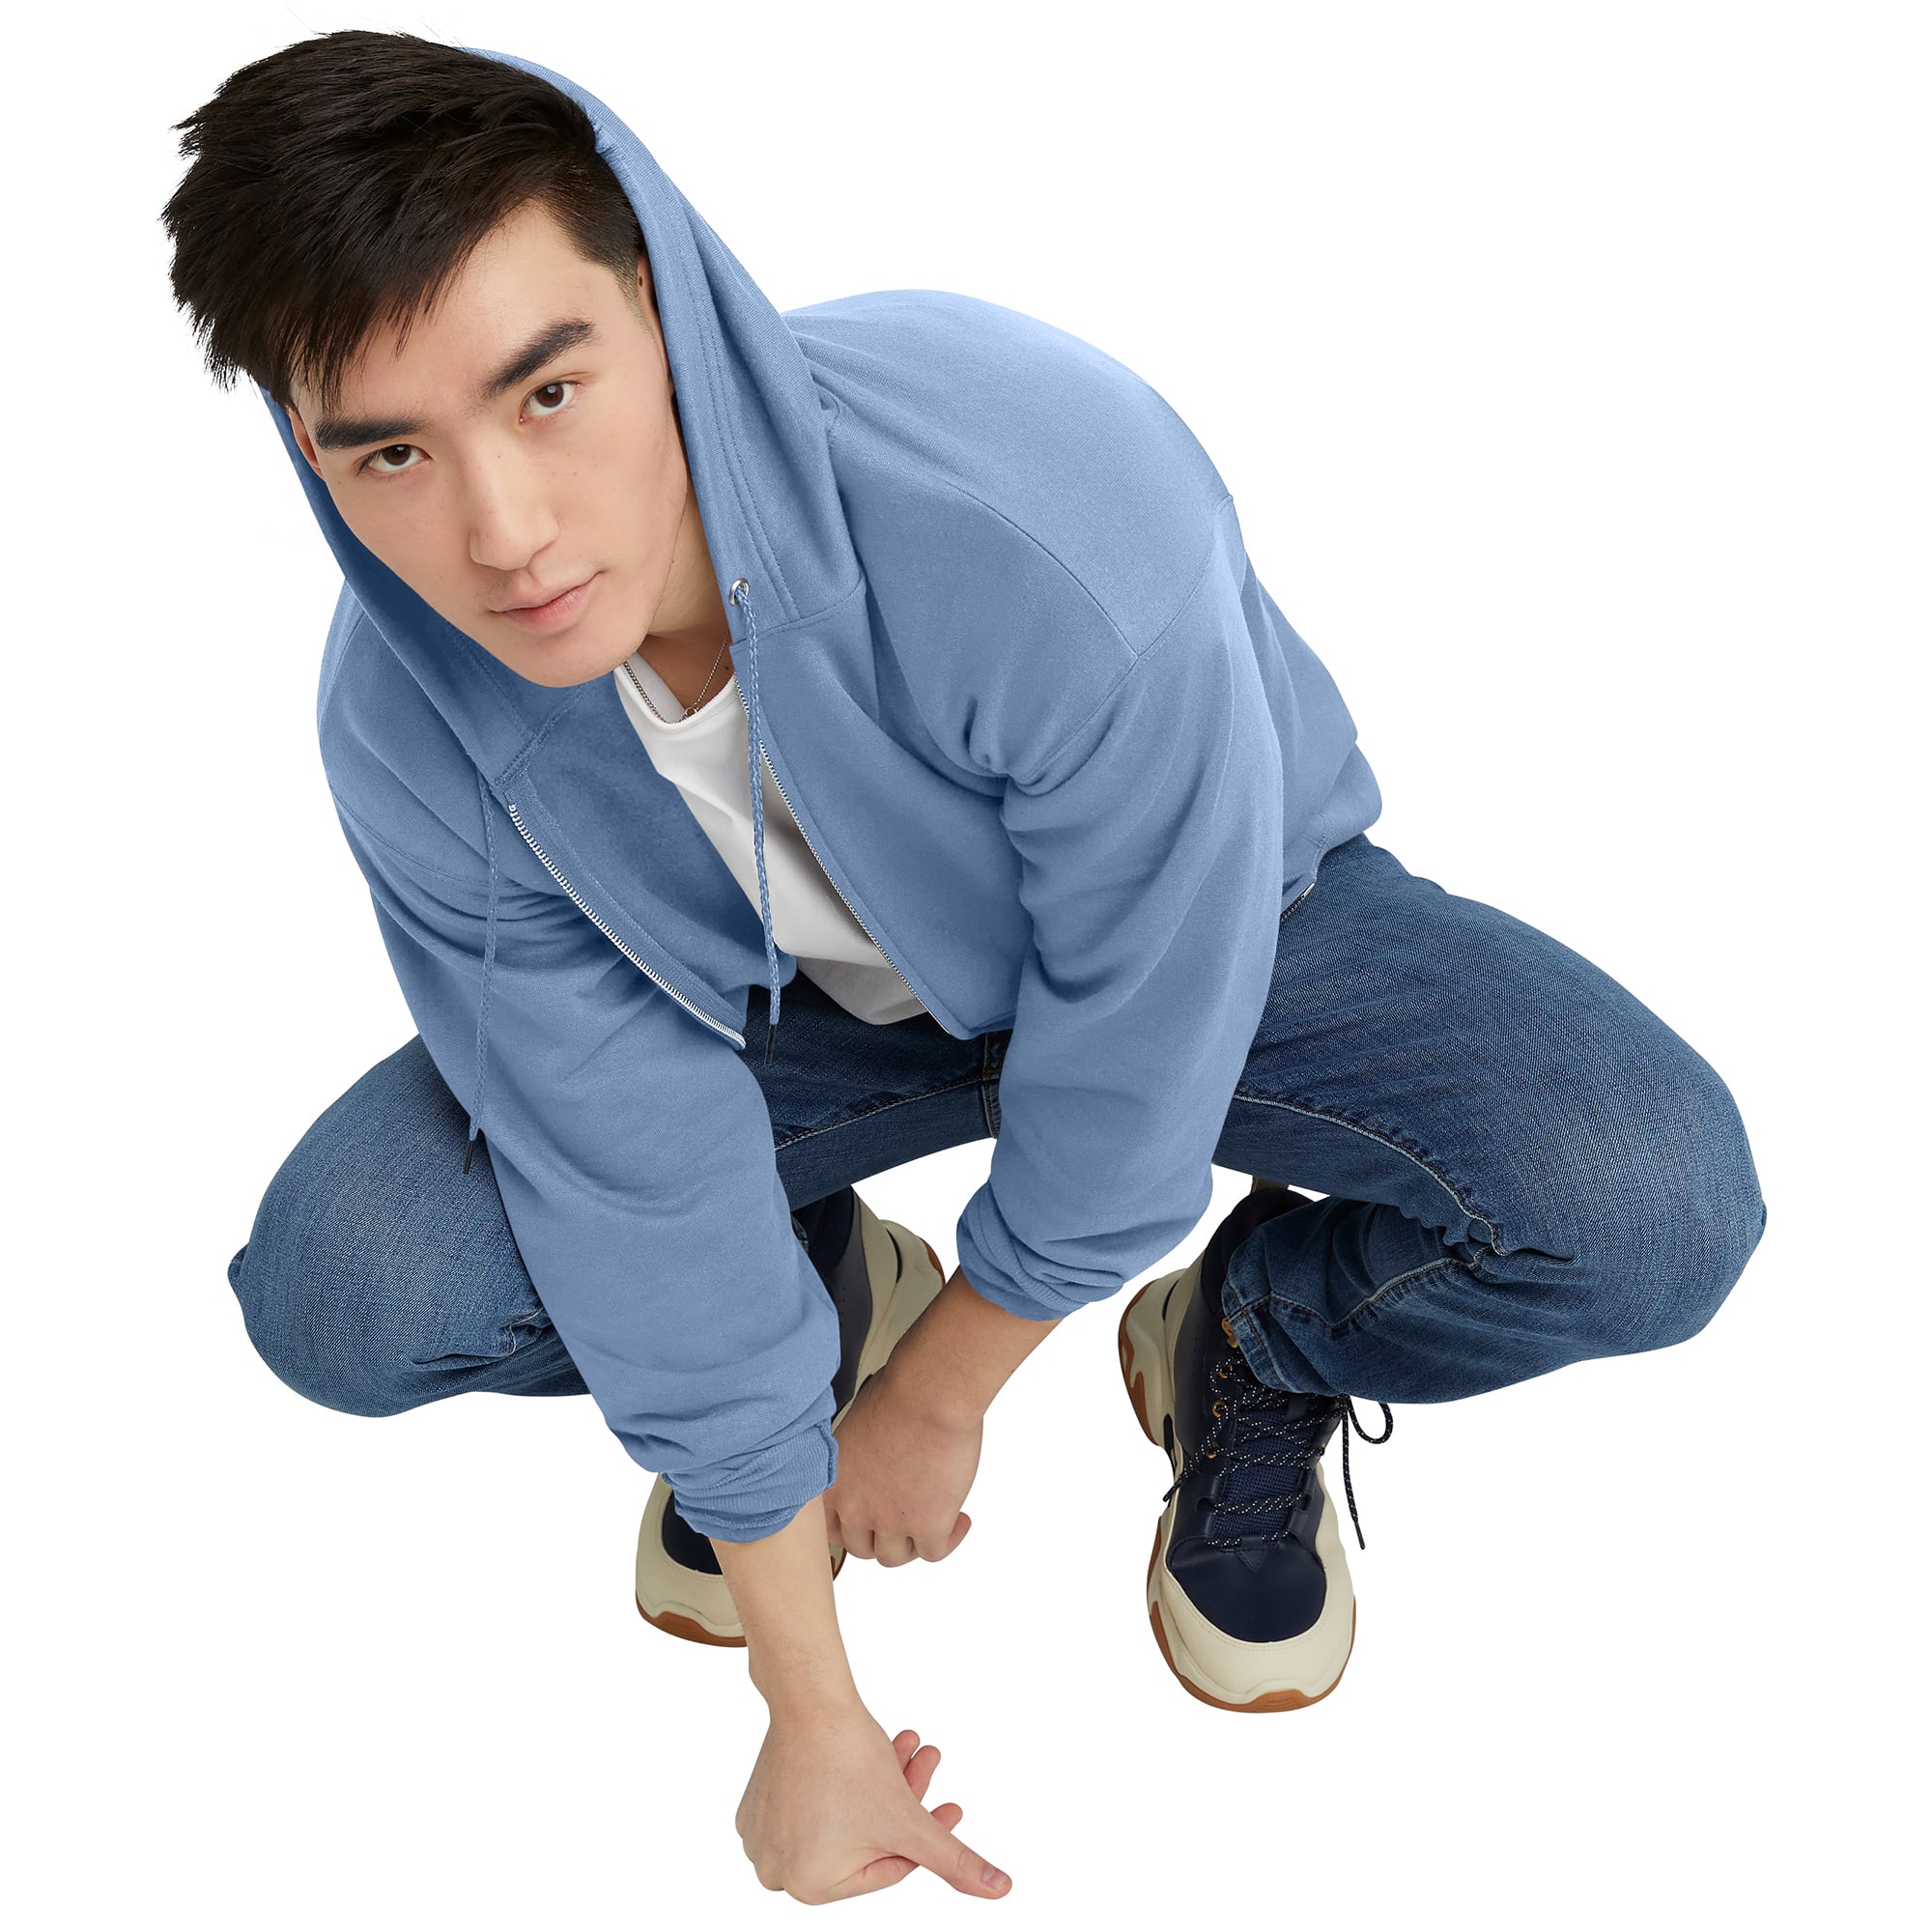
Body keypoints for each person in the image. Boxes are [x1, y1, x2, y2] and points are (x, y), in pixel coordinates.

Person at [162, 29, 1767, 1907]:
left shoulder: (1028, 490)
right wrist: (809, 1703)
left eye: (549, 391)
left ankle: (1250, 1336)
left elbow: (1143, 1015)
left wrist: (943, 1390)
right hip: (781, 1023)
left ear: (663, 300)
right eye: (393, 451)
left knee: (1647, 1198)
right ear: (311, 456)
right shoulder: (405, 715)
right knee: (352, 1284)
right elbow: (621, 1157)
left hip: (1212, 931)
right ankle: (814, 1290)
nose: (502, 534)